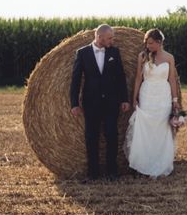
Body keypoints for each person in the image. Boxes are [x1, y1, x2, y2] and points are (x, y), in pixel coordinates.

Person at [70, 24, 130, 181]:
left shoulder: (114, 52)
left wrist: (124, 99)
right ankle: (93, 172)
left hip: (111, 102)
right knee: (91, 137)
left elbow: (120, 77)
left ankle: (112, 171)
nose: (112, 40)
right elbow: (75, 80)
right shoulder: (82, 53)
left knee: (112, 135)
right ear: (99, 37)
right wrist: (74, 103)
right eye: (109, 38)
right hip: (91, 103)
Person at [124, 28, 180, 178]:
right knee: (145, 128)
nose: (147, 46)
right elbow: (138, 78)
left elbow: (172, 79)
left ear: (159, 42)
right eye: (146, 43)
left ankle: (161, 164)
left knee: (161, 129)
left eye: (150, 43)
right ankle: (143, 164)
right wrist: (134, 98)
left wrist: (175, 100)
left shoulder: (169, 57)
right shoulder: (142, 56)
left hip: (163, 96)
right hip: (147, 94)